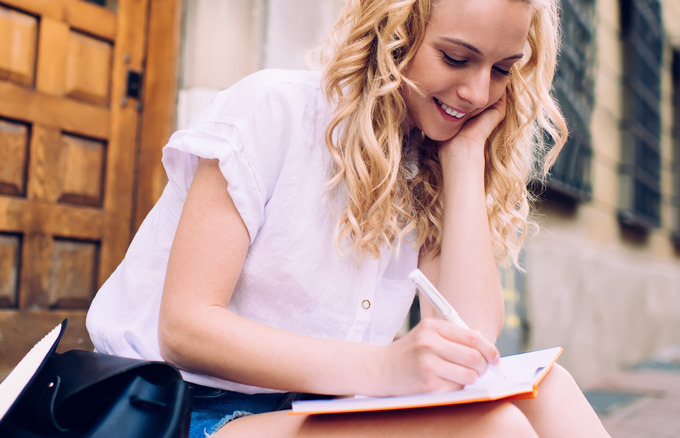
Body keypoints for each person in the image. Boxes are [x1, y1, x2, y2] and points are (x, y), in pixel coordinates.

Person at [86, 0, 611, 436]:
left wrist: (465, 160)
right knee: (492, 427)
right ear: (393, 33)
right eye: (455, 58)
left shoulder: (430, 158)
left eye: (501, 70)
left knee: (550, 387)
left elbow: (470, 337)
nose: (478, 94)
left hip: (310, 410)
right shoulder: (273, 110)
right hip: (173, 409)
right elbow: (185, 328)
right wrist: (384, 369)